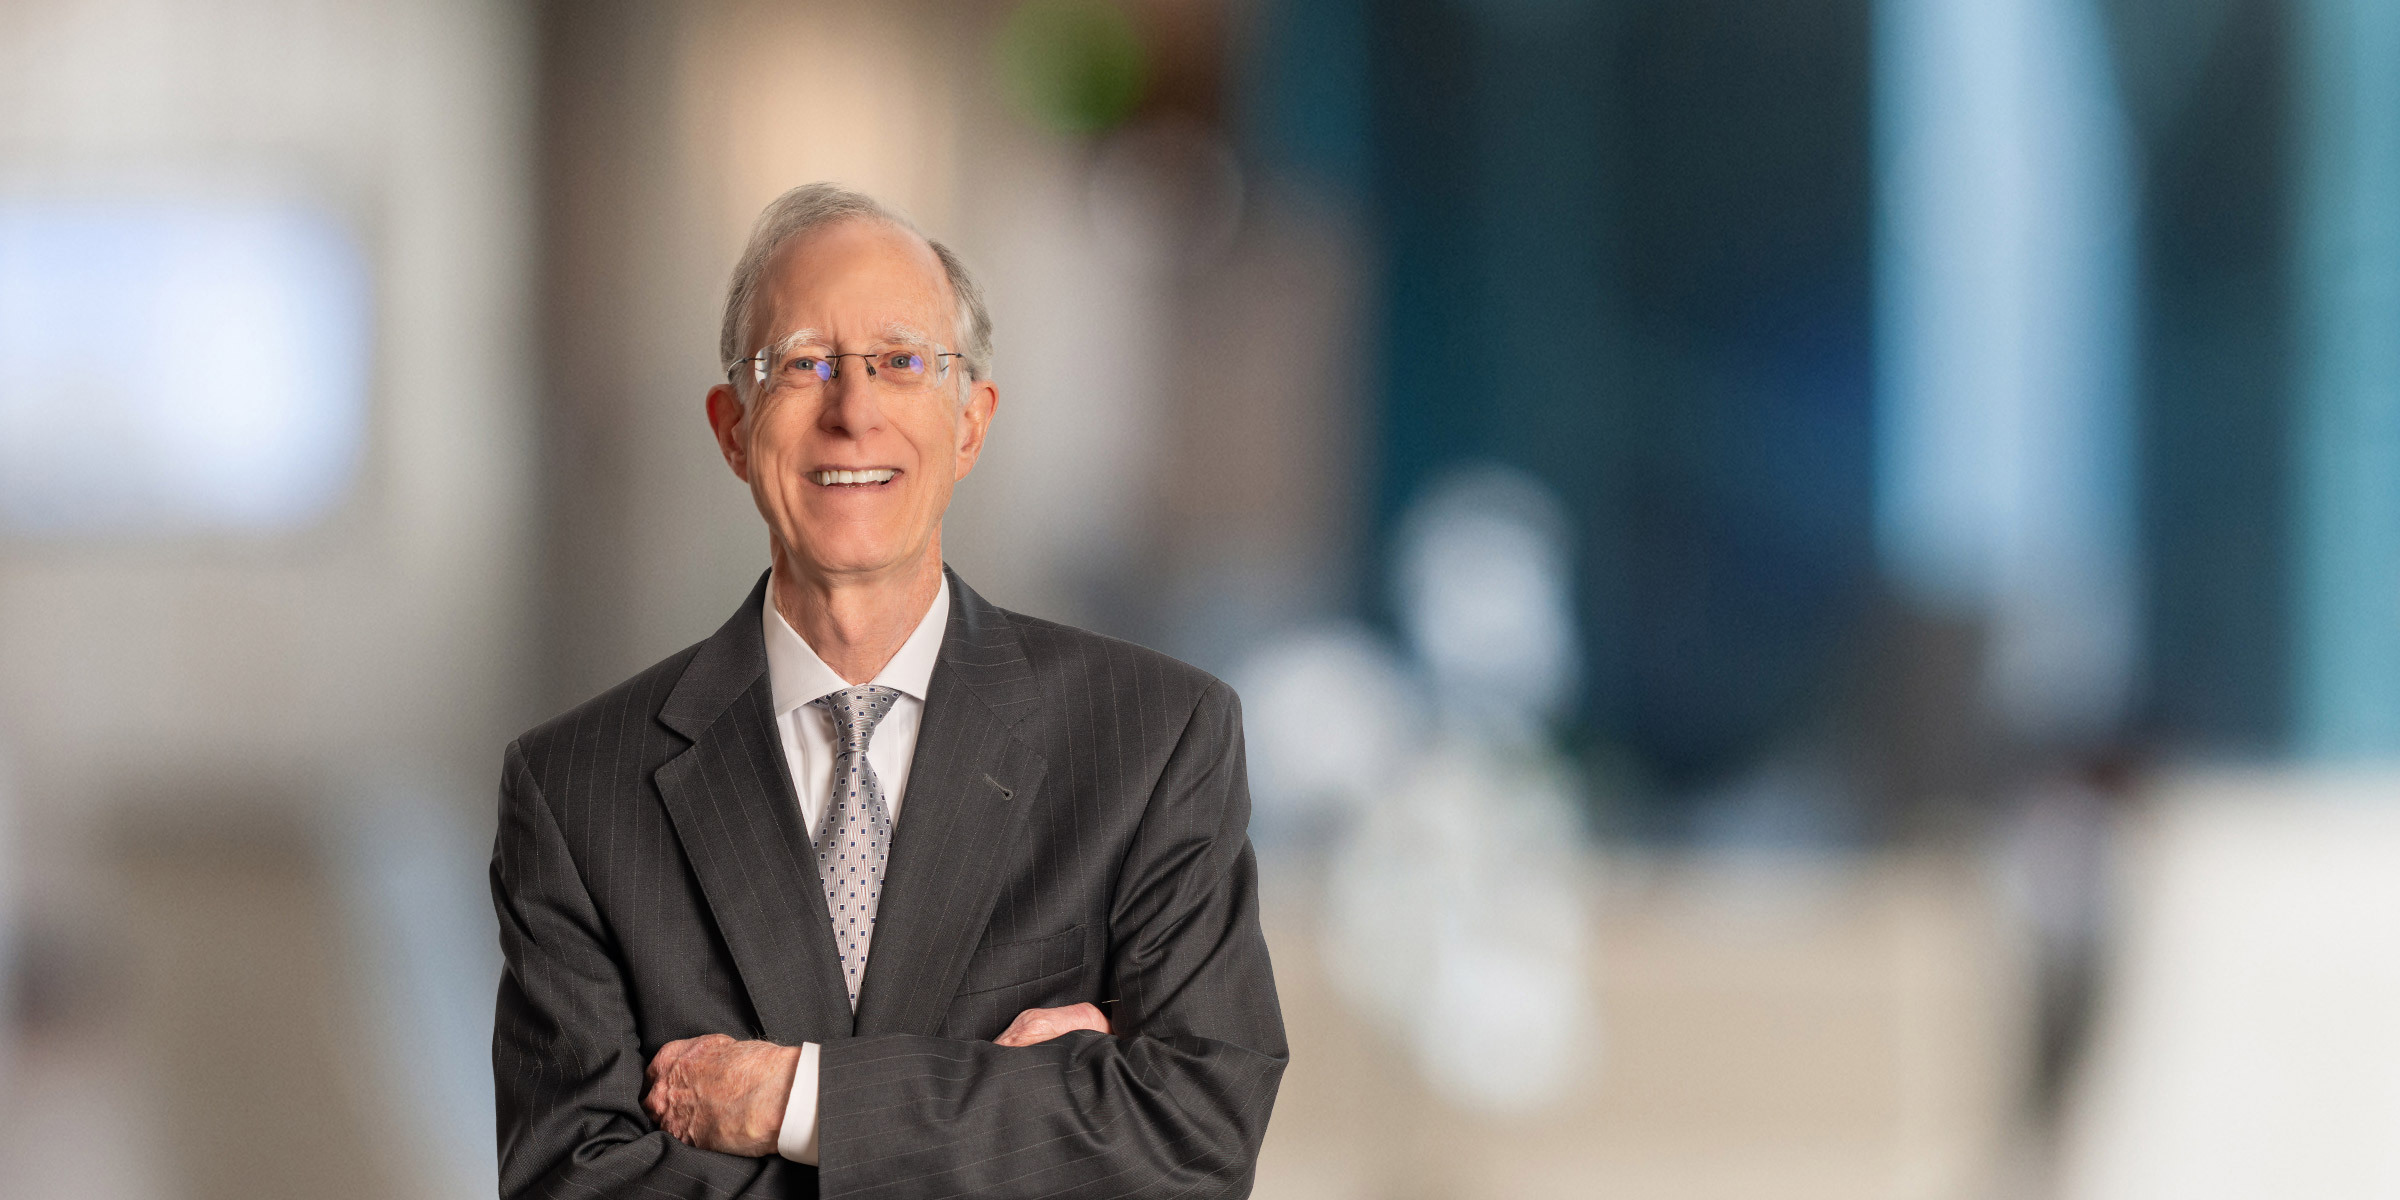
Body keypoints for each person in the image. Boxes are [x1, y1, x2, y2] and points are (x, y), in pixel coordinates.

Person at [489, 182, 1286, 1199]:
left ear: (970, 422)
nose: (852, 411)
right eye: (803, 365)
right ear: (732, 427)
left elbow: (1196, 1140)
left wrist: (798, 1103)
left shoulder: (1156, 742)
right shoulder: (576, 794)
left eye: (901, 363)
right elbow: (577, 1187)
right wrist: (1026, 1113)